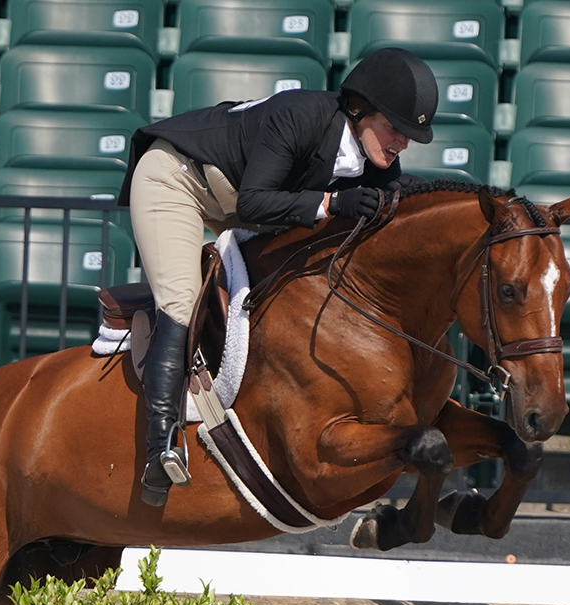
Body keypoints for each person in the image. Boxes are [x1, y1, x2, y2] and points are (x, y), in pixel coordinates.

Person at [117, 48, 440, 507]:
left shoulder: (376, 158)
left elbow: (392, 207)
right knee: (183, 300)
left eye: (410, 135)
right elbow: (252, 204)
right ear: (358, 109)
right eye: (395, 129)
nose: (401, 143)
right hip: (179, 180)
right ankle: (161, 445)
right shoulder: (300, 115)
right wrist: (329, 204)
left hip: (236, 197)